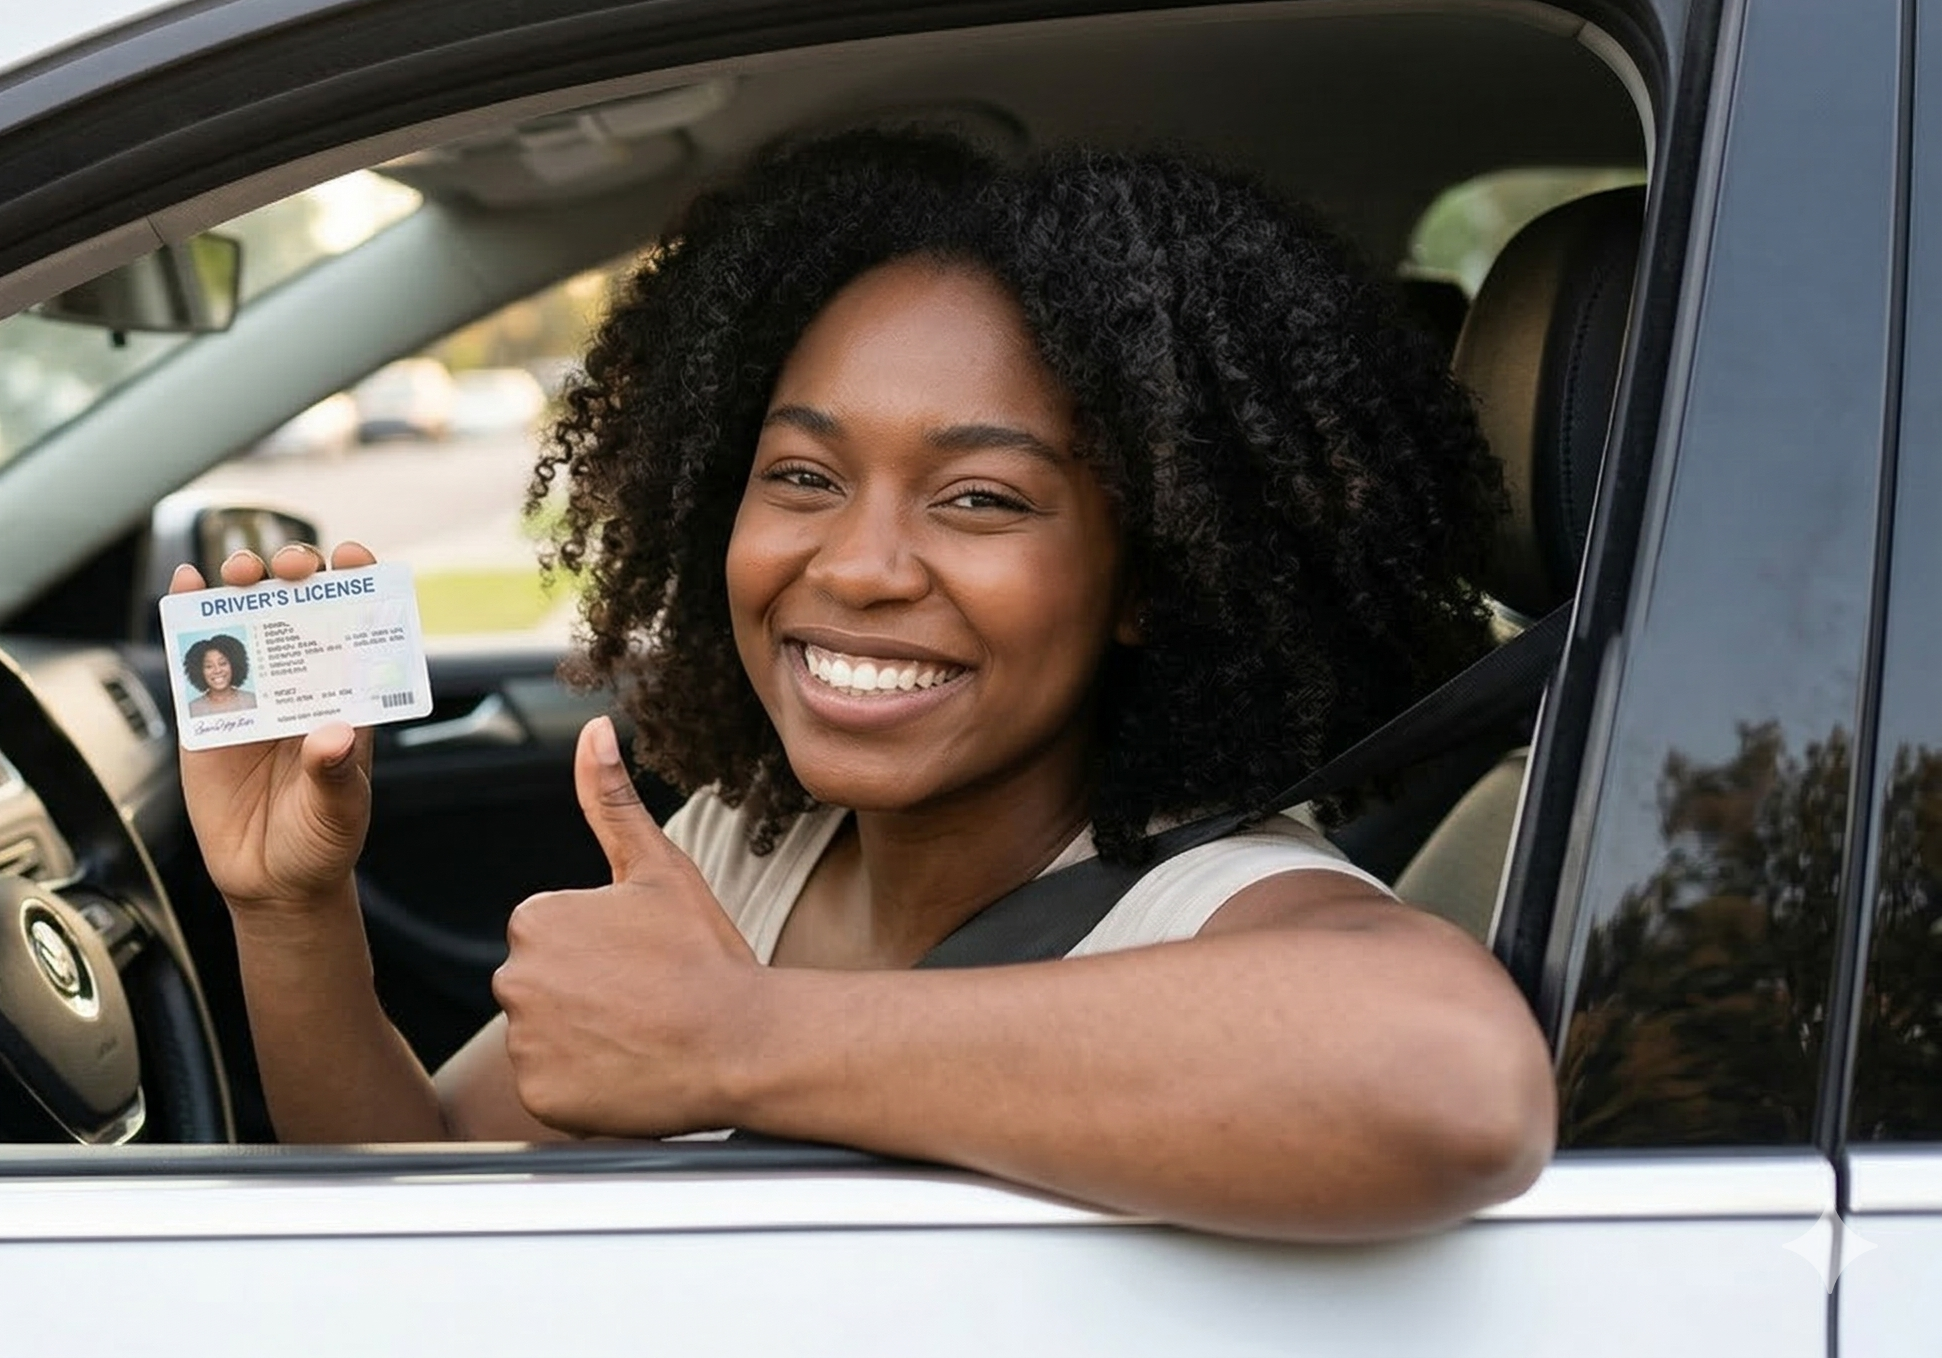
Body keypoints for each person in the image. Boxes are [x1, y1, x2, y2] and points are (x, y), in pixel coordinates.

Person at [169, 133, 1556, 1242]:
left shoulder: (1214, 906)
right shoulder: (753, 839)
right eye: (803, 476)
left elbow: (1452, 1082)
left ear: (1146, 575)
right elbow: (419, 1192)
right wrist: (289, 910)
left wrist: (742, 1038)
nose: (858, 564)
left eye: (980, 496)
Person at [182, 633, 258, 717]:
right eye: (209, 666)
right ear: (199, 671)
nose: (217, 670)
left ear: (234, 665)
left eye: (222, 663)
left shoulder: (253, 701)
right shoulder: (192, 710)